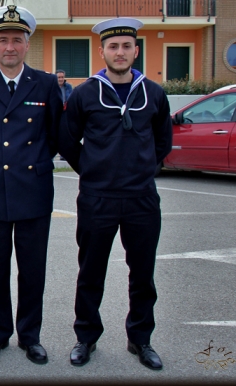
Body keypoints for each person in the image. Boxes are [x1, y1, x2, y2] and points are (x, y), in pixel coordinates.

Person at [58, 18, 172, 370]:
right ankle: (86, 337)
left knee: (142, 273)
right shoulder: (84, 94)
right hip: (97, 198)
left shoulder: (153, 93)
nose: (119, 52)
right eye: (113, 46)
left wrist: (139, 173)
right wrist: (93, 173)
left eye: (126, 46)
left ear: (136, 51)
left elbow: (163, 143)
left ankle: (140, 339)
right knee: (90, 271)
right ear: (102, 51)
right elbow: (66, 141)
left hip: (141, 200)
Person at [0, 5, 63, 364]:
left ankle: (30, 336)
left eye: (16, 40)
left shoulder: (47, 84)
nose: (9, 46)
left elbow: (54, 136)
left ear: (26, 45)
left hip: (33, 189)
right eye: (2, 39)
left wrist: (30, 164)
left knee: (33, 269)